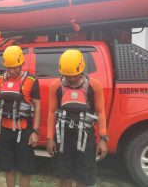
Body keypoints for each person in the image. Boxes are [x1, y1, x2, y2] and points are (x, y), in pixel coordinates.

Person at [46, 49, 108, 187]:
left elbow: (101, 112)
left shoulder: (94, 85)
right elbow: (51, 112)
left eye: (74, 75)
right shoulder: (56, 86)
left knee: (84, 178)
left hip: (86, 137)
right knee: (64, 177)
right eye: (67, 76)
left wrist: (103, 139)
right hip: (63, 137)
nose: (71, 79)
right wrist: (50, 138)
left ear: (81, 69)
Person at [0, 45, 41, 187]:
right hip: (4, 130)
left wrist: (35, 132)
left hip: (24, 131)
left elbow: (37, 107)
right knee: (8, 166)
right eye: (8, 68)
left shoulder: (31, 80)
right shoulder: (0, 79)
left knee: (25, 168)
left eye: (15, 68)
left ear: (21, 64)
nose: (11, 71)